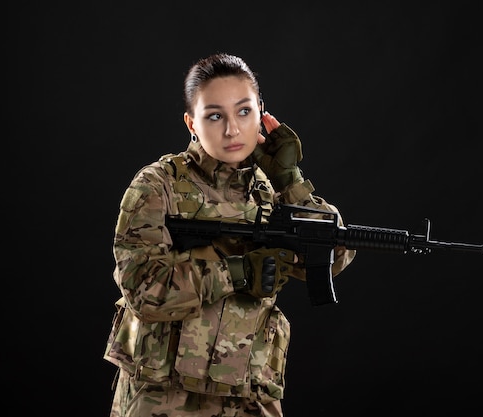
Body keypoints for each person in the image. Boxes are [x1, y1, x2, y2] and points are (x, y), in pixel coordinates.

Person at [104, 52, 356, 417]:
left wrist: (291, 180)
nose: (232, 130)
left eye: (243, 111)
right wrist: (235, 273)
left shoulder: (271, 191)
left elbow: (336, 255)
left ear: (261, 114)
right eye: (215, 116)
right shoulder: (158, 186)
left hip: (248, 397)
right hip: (164, 398)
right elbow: (143, 289)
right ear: (192, 123)